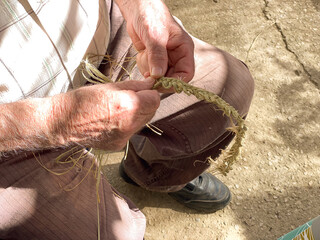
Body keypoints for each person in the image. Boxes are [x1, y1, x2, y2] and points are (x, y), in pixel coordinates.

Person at [0, 0, 254, 239]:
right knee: (105, 233)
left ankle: (152, 176)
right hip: (11, 134)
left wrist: (140, 5)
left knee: (229, 90)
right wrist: (58, 120)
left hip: (95, 36)